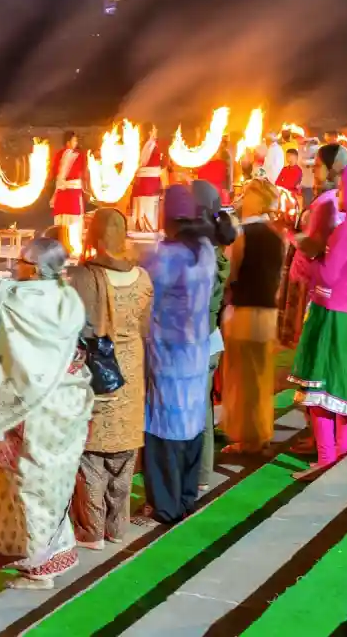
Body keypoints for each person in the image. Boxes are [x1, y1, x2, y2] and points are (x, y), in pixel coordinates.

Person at [0, 238, 90, 589]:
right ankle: (49, 553)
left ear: (36, 268)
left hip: (25, 410)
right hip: (63, 405)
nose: (15, 267)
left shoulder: (15, 301)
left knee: (26, 488)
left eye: (21, 262)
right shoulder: (67, 296)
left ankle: (38, 567)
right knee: (48, 486)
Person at [289, 164, 347, 479]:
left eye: (342, 189)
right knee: (344, 390)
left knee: (320, 392)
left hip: (330, 314)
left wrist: (305, 254)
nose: (338, 195)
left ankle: (326, 457)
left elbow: (328, 275)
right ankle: (342, 452)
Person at [69, 209, 153, 548]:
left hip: (99, 371)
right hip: (131, 370)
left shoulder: (85, 277)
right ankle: (118, 527)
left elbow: (77, 327)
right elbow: (145, 326)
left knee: (92, 455)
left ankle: (91, 531)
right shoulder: (143, 277)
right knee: (124, 453)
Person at [137, 186, 216, 525]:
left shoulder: (165, 256)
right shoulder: (205, 250)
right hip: (197, 350)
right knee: (191, 423)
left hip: (168, 356)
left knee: (164, 427)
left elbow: (140, 289)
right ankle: (185, 497)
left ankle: (165, 505)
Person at [222, 180, 286, 454]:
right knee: (261, 375)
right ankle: (261, 431)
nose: (241, 200)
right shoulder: (276, 235)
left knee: (243, 376)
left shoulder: (242, 234)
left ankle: (246, 437)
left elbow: (230, 274)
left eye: (247, 195)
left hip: (246, 310)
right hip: (268, 311)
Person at [279, 144, 347, 349]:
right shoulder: (335, 197)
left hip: (312, 279)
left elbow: (315, 246)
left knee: (311, 344)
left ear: (332, 169)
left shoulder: (329, 202)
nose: (314, 171)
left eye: (318, 166)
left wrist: (287, 232)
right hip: (318, 277)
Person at [192, 180, 236, 492]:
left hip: (198, 340)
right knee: (202, 410)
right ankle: (202, 473)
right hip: (210, 339)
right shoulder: (215, 250)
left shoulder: (201, 252)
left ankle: (197, 475)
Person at [51, 131, 88, 252]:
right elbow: (54, 172)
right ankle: (61, 246)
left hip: (72, 192)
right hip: (63, 192)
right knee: (62, 219)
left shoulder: (79, 155)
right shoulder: (59, 155)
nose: (76, 143)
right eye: (74, 140)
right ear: (68, 142)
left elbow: (83, 171)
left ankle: (73, 246)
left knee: (73, 218)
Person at [131, 129, 165, 231]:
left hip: (149, 182)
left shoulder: (156, 145)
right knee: (145, 206)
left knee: (148, 206)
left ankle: (146, 227)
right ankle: (144, 227)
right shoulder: (143, 145)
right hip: (145, 183)